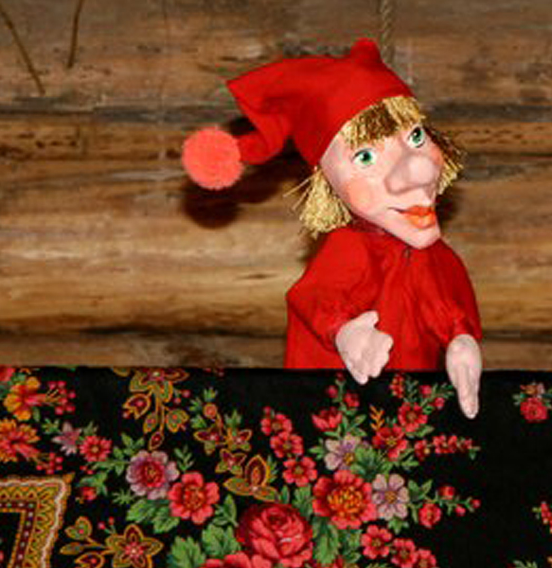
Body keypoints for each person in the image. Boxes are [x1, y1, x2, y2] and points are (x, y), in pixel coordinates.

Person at [182, 39, 483, 417]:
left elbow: (443, 301)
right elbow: (316, 297)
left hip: (406, 414)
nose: (419, 169)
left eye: (416, 137)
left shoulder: (432, 254)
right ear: (328, 184)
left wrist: (461, 340)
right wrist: (344, 331)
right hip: (341, 418)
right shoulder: (351, 247)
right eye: (366, 156)